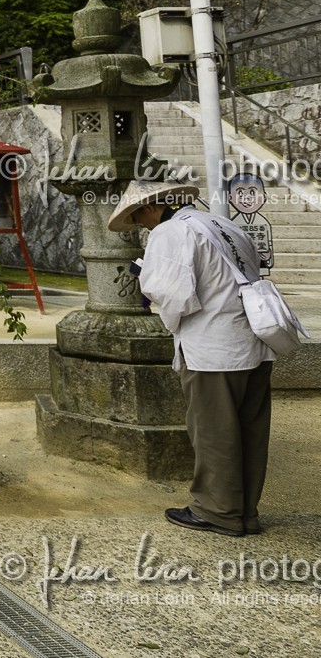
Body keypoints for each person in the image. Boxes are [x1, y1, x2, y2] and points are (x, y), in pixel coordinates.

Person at [118, 179, 274, 537]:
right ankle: (244, 512)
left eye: (138, 214)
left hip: (212, 349)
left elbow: (175, 297)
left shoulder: (170, 232)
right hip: (253, 342)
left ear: (153, 206)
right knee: (249, 431)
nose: (140, 223)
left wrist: (149, 294)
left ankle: (217, 511)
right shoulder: (223, 224)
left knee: (214, 433)